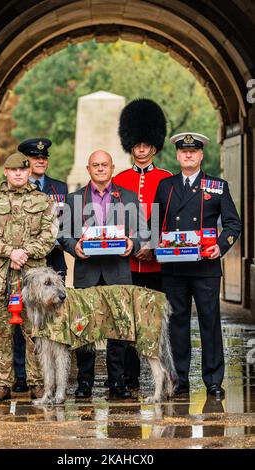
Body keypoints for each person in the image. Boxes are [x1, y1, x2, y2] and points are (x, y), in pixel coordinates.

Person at [155, 132, 241, 398]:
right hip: (174, 268)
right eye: (183, 152)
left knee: (210, 323)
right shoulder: (166, 187)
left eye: (193, 151)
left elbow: (232, 223)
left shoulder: (217, 185)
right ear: (178, 156)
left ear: (201, 155)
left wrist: (220, 245)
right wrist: (152, 244)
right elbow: (155, 224)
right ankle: (180, 380)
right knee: (177, 324)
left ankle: (213, 380)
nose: (188, 155)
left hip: (205, 267)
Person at [60, 150, 148, 400]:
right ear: (88, 169)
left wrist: (133, 243)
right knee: (83, 329)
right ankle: (84, 383)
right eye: (95, 165)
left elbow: (143, 231)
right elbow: (63, 233)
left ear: (112, 168)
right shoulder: (74, 198)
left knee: (118, 331)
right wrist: (74, 246)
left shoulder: (128, 197)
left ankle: (117, 383)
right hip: (87, 273)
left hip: (118, 273)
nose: (100, 169)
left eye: (104, 165)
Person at [0, 152, 58, 402]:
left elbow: (49, 234)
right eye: (14, 171)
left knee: (35, 330)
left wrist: (25, 253)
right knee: (1, 331)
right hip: (1, 278)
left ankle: (37, 383)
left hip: (32, 279)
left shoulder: (43, 201)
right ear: (7, 173)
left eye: (23, 170)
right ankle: (2, 383)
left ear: (28, 172)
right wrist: (10, 252)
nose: (19, 174)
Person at [113, 98, 172, 389]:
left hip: (157, 263)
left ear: (154, 146)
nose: (142, 149)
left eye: (147, 144)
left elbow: (169, 222)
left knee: (157, 322)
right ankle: (129, 375)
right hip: (127, 263)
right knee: (128, 321)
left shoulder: (167, 180)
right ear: (131, 145)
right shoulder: (119, 180)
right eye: (137, 144)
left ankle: (161, 375)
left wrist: (155, 246)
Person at [11, 137, 68, 393]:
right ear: (26, 161)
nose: (41, 160)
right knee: (22, 319)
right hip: (26, 266)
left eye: (44, 157)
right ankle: (23, 374)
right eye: (35, 157)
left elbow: (66, 226)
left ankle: (52, 377)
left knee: (55, 321)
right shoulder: (15, 190)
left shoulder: (60, 188)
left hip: (53, 263)